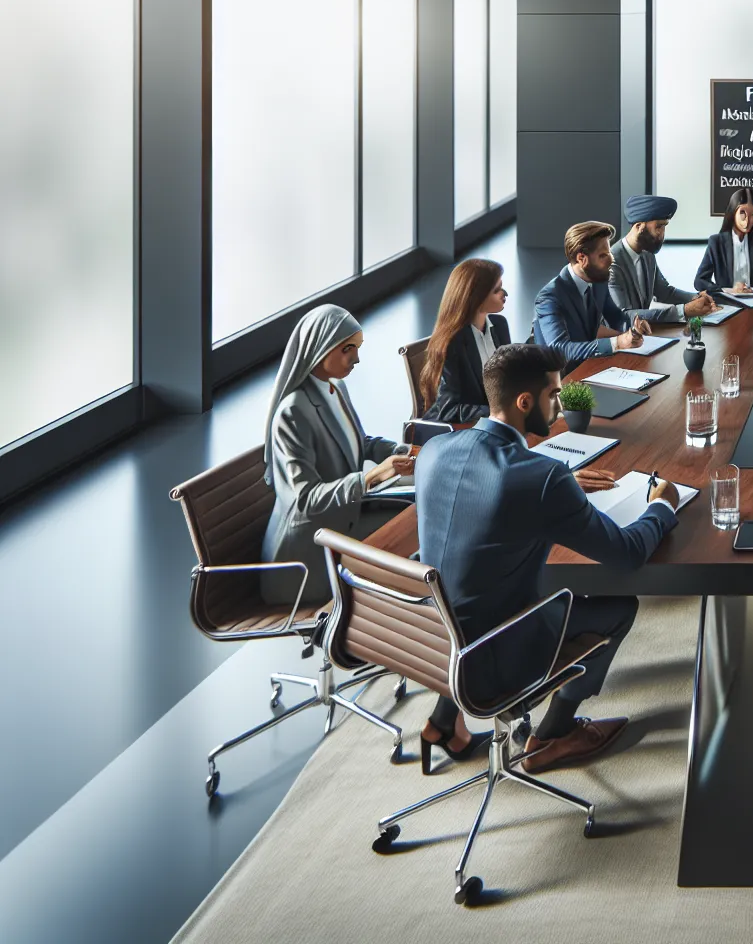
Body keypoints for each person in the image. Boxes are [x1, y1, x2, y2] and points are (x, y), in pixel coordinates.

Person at [414, 343, 683, 773]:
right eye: (554, 395)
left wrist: (555, 485)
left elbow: (479, 503)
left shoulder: (433, 452)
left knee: (470, 581)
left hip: (429, 641)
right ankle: (553, 735)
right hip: (495, 655)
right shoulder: (542, 478)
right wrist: (662, 506)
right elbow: (627, 554)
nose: (559, 405)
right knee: (618, 608)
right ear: (525, 402)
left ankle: (444, 721)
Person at [261, 304, 411, 605]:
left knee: (416, 516)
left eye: (357, 348)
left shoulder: (335, 388)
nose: (356, 358)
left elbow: (359, 440)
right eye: (347, 349)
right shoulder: (292, 413)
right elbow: (304, 500)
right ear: (320, 348)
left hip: (342, 522)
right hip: (306, 557)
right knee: (412, 534)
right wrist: (371, 477)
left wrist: (397, 450)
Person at [533, 220, 654, 373]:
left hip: (591, 366)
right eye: (603, 255)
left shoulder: (597, 280)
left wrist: (633, 327)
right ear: (582, 259)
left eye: (609, 252)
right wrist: (616, 343)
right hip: (561, 381)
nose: (611, 259)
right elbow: (560, 350)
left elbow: (615, 315)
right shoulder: (550, 297)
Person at [420, 258, 511, 424]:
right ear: (476, 297)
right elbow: (448, 409)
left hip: (494, 424)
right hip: (464, 431)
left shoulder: (500, 325)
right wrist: (499, 411)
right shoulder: (451, 343)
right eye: (496, 290)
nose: (504, 294)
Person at [608, 194, 719, 324]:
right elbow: (625, 315)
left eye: (664, 227)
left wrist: (696, 297)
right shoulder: (611, 262)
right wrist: (683, 311)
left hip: (643, 336)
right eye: (659, 227)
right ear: (639, 226)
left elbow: (664, 291)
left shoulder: (648, 255)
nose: (663, 234)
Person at [696, 188, 753, 295]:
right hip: (728, 302)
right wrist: (726, 290)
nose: (747, 220)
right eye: (742, 213)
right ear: (732, 212)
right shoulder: (716, 242)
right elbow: (699, 281)